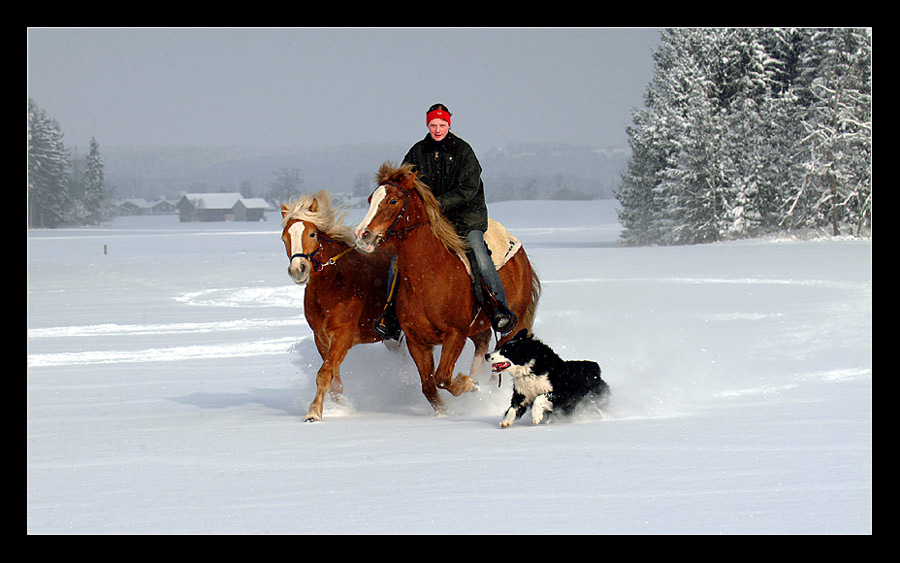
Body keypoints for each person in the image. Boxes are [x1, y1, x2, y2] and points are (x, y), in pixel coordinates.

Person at [374, 103, 517, 341]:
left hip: (465, 219)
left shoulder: (463, 151)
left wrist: (434, 206)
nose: (437, 129)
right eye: (433, 125)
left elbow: (468, 190)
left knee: (479, 254)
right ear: (427, 125)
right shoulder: (417, 152)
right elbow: (405, 185)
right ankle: (390, 316)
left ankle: (499, 308)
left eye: (442, 124)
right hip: (430, 222)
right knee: (398, 262)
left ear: (449, 125)